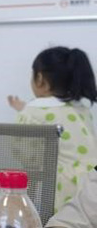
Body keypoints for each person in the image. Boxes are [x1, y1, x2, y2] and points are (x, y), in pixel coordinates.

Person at [8, 46, 97, 213]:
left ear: (40, 78)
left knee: (62, 221)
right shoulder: (81, 108)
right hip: (92, 182)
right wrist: (25, 109)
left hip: (67, 188)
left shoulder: (32, 113)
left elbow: (28, 158)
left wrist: (25, 113)